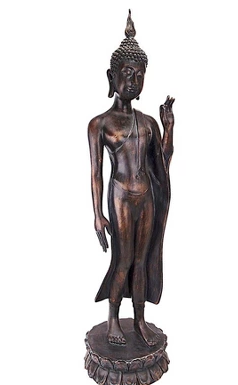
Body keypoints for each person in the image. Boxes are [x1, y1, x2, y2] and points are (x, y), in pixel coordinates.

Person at [88, 10, 175, 346]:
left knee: (141, 259)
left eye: (139, 75)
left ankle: (139, 320)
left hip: (146, 195)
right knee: (122, 259)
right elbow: (96, 172)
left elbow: (162, 163)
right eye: (127, 73)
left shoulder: (148, 122)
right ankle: (113, 319)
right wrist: (98, 214)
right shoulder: (100, 124)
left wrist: (168, 128)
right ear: (111, 77)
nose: (133, 81)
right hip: (121, 196)